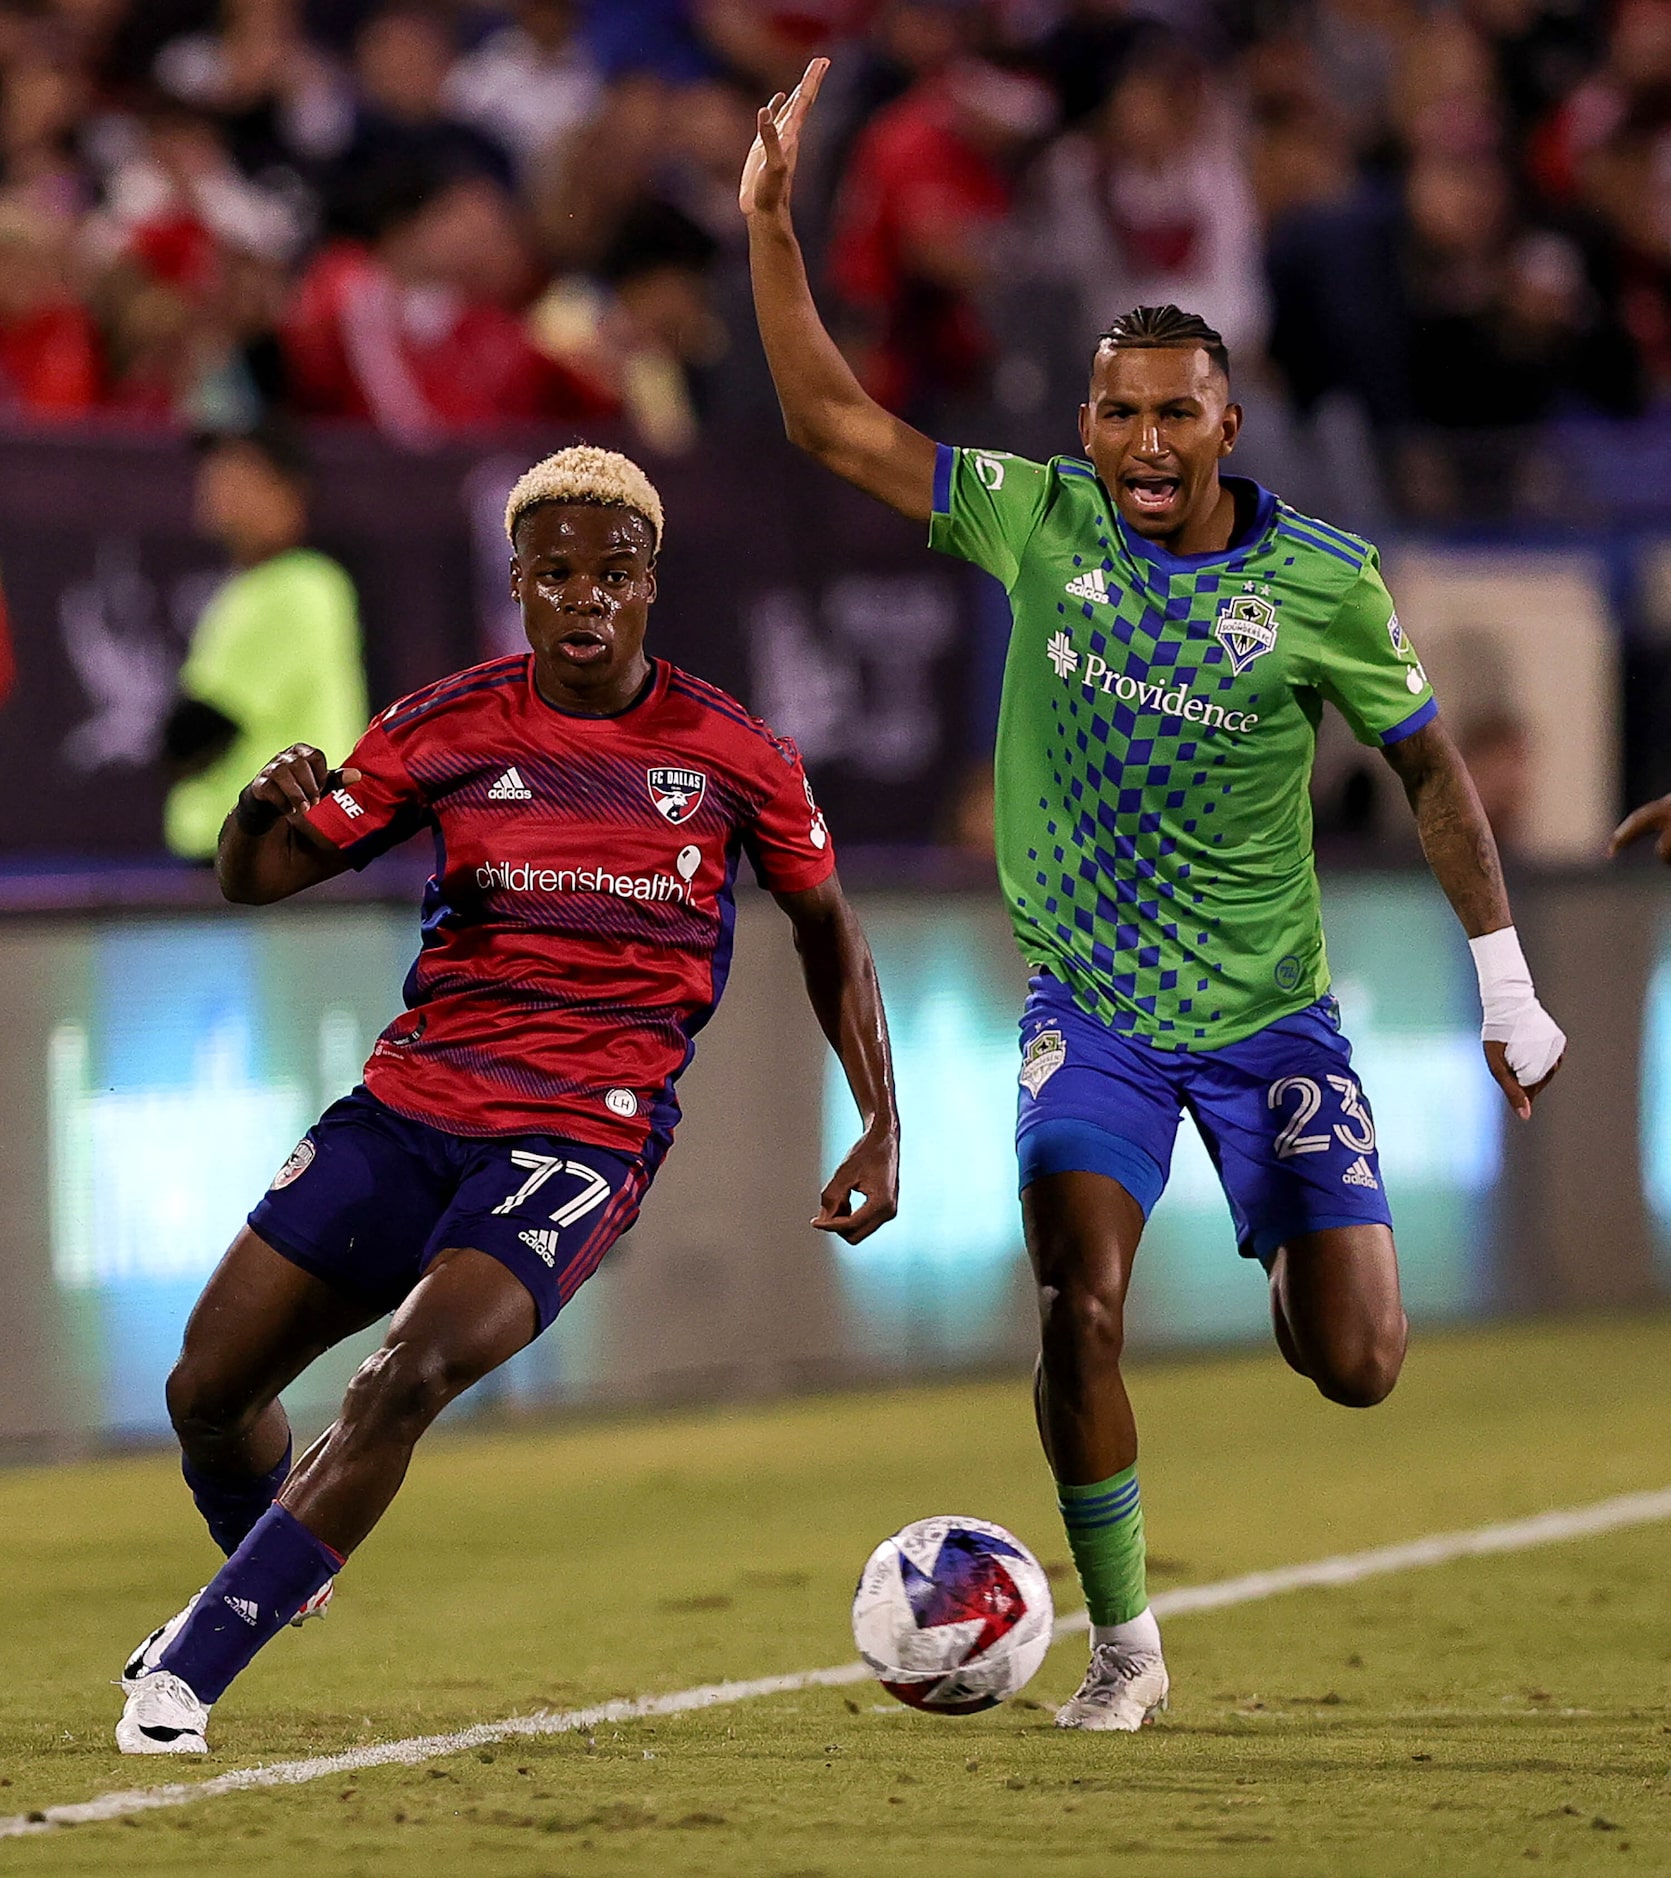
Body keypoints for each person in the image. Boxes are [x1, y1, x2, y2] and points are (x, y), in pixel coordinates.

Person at [742, 61, 1565, 1733]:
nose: (1141, 441)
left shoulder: (1320, 582)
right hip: (1093, 1018)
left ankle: (1295, 1239)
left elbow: (1426, 768)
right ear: (1088, 425)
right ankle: (1124, 1649)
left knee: (1356, 1359)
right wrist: (770, 226)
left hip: (1271, 1020)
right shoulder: (1034, 522)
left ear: (1226, 425)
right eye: (1117, 411)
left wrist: (1503, 980)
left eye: (1174, 411)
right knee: (1078, 1299)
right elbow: (830, 418)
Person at [117, 444, 899, 1753]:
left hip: (580, 1132)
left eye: (613, 572)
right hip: (410, 1107)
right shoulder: (449, 725)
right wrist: (261, 812)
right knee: (205, 1386)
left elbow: (828, 929)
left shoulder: (732, 753)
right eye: (556, 575)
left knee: (406, 1371)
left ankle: (189, 1667)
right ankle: (277, 1559)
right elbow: (256, 878)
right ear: (519, 588)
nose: (585, 597)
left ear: (651, 584)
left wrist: (878, 1117)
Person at [162, 427, 367, 862]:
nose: (219, 486)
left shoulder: (299, 587)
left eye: (240, 474)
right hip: (248, 851)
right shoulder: (248, 589)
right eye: (215, 473)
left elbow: (198, 732)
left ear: (288, 494)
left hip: (272, 852)